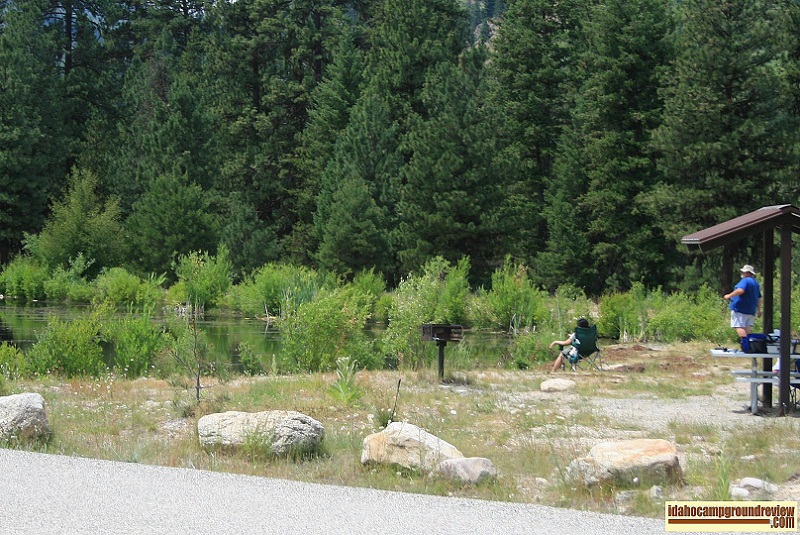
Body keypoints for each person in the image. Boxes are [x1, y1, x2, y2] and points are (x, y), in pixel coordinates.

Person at [723, 264, 762, 347]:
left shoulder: (745, 281)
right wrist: (759, 310)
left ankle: (745, 345)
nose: (742, 273)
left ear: (747, 273)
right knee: (747, 329)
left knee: (738, 326)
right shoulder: (756, 283)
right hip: (751, 310)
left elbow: (740, 290)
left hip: (740, 309)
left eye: (743, 272)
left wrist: (729, 295)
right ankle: (751, 346)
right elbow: (759, 297)